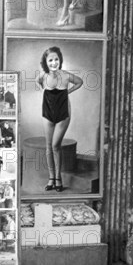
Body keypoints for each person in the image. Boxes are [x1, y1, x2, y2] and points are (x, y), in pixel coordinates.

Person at [37, 46, 83, 192]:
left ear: (60, 60)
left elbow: (80, 82)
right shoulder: (43, 76)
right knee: (48, 146)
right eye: (50, 60)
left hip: (63, 113)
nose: (54, 62)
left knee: (56, 145)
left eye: (56, 59)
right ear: (45, 62)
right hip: (47, 112)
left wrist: (67, 92)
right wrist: (43, 91)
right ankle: (51, 178)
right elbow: (38, 83)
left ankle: (58, 178)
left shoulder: (66, 75)